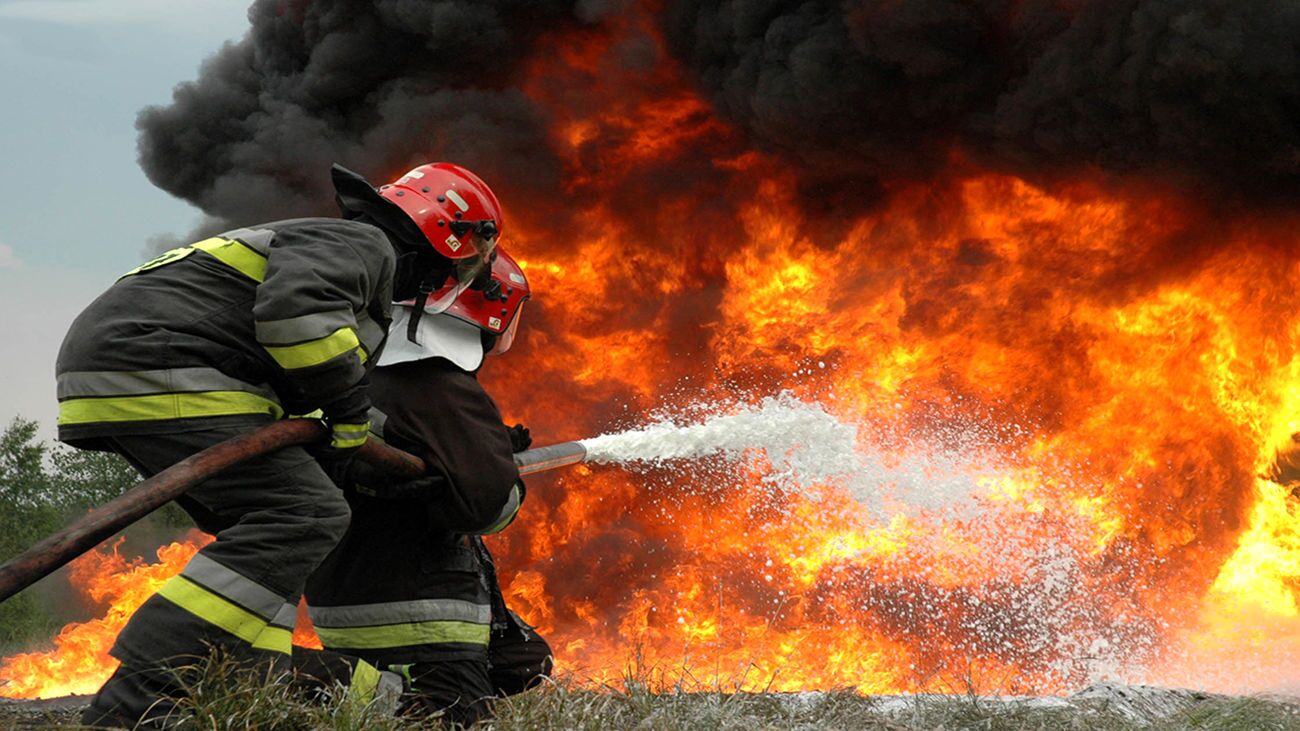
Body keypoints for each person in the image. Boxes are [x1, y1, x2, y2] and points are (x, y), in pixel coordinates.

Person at [55, 161, 504, 727]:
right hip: (164, 364)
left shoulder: (333, 248)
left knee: (269, 544)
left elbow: (304, 384)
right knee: (306, 515)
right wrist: (347, 414)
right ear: (449, 235)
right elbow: (297, 324)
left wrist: (383, 439)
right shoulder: (364, 245)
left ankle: (242, 688)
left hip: (132, 369)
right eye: (467, 263)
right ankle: (141, 696)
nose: (455, 278)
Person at [302, 248, 552, 725]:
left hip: (347, 592)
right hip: (416, 606)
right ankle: (278, 674)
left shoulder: (361, 376)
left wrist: (487, 446)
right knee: (446, 716)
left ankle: (375, 689)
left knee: (525, 662)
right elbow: (488, 506)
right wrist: (504, 475)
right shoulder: (438, 383)